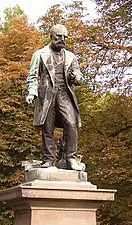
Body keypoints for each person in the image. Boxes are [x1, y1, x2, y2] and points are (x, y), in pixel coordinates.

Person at [26, 24, 83, 171]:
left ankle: (70, 157)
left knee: (71, 123)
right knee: (47, 127)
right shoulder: (39, 54)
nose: (62, 39)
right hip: (47, 95)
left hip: (65, 94)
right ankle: (48, 159)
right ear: (51, 36)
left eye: (65, 37)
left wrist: (76, 77)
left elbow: (79, 77)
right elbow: (32, 76)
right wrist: (32, 91)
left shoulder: (71, 57)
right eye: (59, 36)